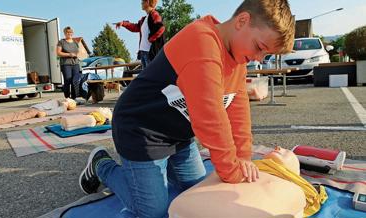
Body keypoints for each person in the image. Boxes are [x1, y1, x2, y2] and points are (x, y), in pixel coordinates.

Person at [79, 0, 295, 217]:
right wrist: (232, 170)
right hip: (141, 130)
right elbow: (210, 119)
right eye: (260, 47)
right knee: (153, 211)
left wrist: (243, 158)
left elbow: (238, 113)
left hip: (178, 135)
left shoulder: (238, 60)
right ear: (242, 20)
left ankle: (159, 174)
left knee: (199, 194)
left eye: (265, 55)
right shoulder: (202, 41)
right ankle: (102, 165)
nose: (259, 58)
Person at [168, 146, 328, 218]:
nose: (279, 147)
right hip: (185, 206)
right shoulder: (243, 165)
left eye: (285, 151)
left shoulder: (297, 188)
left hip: (181, 208)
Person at [115, 0, 165, 68]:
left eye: (142, 1)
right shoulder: (144, 19)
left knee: (150, 76)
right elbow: (135, 27)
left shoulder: (154, 14)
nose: (141, 3)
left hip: (150, 53)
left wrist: (150, 39)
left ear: (147, 2)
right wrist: (123, 23)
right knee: (146, 76)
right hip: (143, 52)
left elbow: (161, 28)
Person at [57, 26, 80, 99]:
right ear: (64, 33)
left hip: (75, 64)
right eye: (67, 32)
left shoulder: (75, 42)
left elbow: (78, 52)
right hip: (66, 64)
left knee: (75, 81)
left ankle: (73, 98)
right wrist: (69, 54)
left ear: (72, 33)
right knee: (67, 81)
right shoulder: (61, 42)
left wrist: (77, 55)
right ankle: (67, 97)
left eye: (70, 32)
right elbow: (58, 53)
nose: (69, 33)